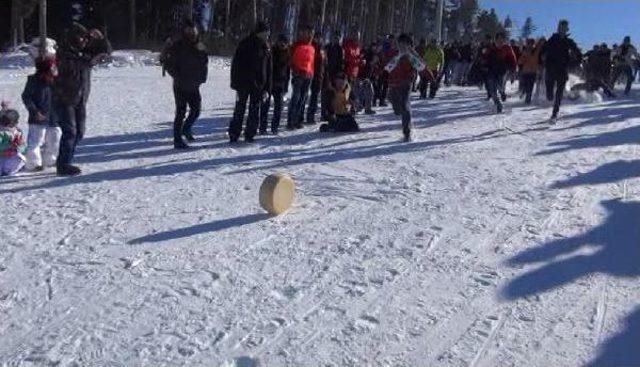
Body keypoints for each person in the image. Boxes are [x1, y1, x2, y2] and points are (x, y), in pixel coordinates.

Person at [54, 23, 111, 176]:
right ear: (73, 38)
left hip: (80, 98)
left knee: (79, 132)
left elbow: (105, 53)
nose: (84, 41)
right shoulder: (63, 53)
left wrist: (100, 39)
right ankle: (63, 164)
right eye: (81, 38)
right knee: (70, 132)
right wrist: (89, 61)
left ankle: (66, 159)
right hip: (64, 98)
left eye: (85, 39)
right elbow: (73, 64)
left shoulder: (82, 51)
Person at [164, 20, 208, 148]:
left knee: (196, 110)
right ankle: (177, 140)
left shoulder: (199, 45)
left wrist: (202, 78)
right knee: (180, 112)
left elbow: (204, 63)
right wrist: (178, 76)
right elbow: (168, 64)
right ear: (184, 31)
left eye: (194, 30)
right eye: (189, 30)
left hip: (194, 84)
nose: (192, 33)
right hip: (180, 84)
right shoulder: (178, 45)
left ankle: (186, 128)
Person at [229, 21, 270, 142]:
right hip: (243, 83)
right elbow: (236, 64)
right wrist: (235, 83)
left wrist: (267, 87)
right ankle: (234, 133)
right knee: (239, 109)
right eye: (265, 33)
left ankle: (250, 134)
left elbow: (269, 69)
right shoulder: (245, 43)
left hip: (259, 84)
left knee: (254, 110)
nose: (267, 35)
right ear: (259, 32)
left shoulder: (266, 47)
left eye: (268, 33)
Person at [385, 34, 432, 142]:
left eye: (405, 45)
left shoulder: (412, 56)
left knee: (405, 104)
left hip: (406, 83)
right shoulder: (394, 53)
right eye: (400, 44)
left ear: (409, 46)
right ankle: (402, 114)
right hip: (393, 84)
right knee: (395, 106)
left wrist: (432, 79)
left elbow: (423, 68)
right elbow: (386, 67)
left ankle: (407, 132)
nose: (402, 47)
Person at [22, 57, 62, 171]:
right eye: (52, 68)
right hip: (38, 117)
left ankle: (51, 160)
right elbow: (26, 97)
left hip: (54, 116)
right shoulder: (33, 81)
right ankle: (33, 164)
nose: (55, 70)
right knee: (35, 141)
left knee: (55, 140)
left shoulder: (57, 81)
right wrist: (34, 111)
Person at [541, 20, 581, 122]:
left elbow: (577, 52)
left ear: (566, 29)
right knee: (549, 94)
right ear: (558, 28)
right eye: (561, 27)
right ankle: (549, 95)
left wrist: (576, 62)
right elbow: (542, 51)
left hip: (562, 70)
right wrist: (541, 61)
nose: (562, 29)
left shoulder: (569, 41)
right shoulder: (552, 39)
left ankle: (554, 114)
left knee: (559, 92)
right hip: (550, 68)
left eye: (565, 28)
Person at [287, 26, 315, 130]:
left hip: (308, 76)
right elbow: (290, 59)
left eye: (311, 34)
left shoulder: (312, 48)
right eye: (308, 33)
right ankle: (290, 121)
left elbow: (311, 63)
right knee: (296, 98)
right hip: (299, 75)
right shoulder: (297, 45)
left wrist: (312, 73)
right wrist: (294, 70)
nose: (310, 36)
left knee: (303, 99)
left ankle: (297, 120)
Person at [261, 34, 289, 135]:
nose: (282, 44)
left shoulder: (287, 54)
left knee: (279, 107)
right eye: (281, 42)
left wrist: (286, 85)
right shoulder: (271, 52)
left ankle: (274, 127)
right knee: (265, 106)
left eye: (285, 43)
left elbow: (287, 71)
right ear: (277, 42)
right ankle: (262, 127)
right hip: (269, 83)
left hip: (280, 85)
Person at [484, 32, 517, 114]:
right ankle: (498, 104)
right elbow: (485, 58)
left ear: (504, 40)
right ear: (495, 40)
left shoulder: (507, 48)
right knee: (492, 90)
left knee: (500, 85)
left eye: (501, 39)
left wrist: (512, 70)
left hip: (502, 70)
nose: (499, 41)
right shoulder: (491, 48)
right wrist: (484, 64)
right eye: (498, 39)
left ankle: (502, 93)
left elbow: (513, 59)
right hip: (492, 71)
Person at [306, 32, 326, 125]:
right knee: (306, 96)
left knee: (315, 96)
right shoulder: (311, 47)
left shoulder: (322, 49)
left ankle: (311, 116)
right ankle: (304, 116)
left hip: (319, 75)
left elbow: (325, 63)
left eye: (319, 38)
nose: (318, 39)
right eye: (316, 38)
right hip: (310, 73)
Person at [0, 106, 27, 176]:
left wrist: (18, 147)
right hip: (2, 155)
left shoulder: (17, 132)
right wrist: (8, 147)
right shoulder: (2, 132)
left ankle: (9, 170)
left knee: (20, 158)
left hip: (11, 156)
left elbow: (23, 147)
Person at [518, 38, 542, 104]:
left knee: (530, 86)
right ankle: (523, 92)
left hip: (533, 72)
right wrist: (522, 59)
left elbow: (539, 47)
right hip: (525, 72)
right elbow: (520, 61)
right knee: (525, 85)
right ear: (527, 44)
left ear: (533, 44)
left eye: (531, 44)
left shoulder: (535, 51)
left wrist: (541, 40)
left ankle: (528, 99)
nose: (530, 45)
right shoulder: (524, 52)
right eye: (528, 44)